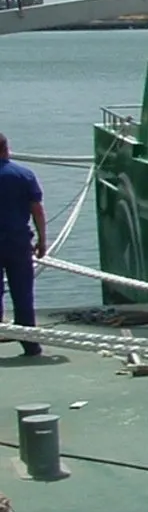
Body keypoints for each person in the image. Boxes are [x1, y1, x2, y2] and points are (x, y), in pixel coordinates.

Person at [0, 133, 49, 357]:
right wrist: (42, 239)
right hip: (18, 242)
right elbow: (37, 210)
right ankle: (30, 344)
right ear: (6, 148)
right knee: (23, 294)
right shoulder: (23, 175)